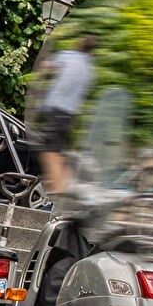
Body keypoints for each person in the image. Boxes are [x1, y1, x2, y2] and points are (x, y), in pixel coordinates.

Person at [35, 34, 97, 195]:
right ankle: (64, 184)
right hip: (70, 115)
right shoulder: (89, 68)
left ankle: (58, 189)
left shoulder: (67, 56)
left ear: (78, 45)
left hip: (57, 110)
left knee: (49, 153)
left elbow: (46, 66)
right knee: (59, 152)